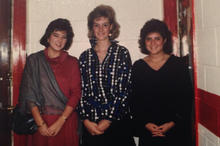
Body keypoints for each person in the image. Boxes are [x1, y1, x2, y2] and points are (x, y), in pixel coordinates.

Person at [76, 4, 135, 146]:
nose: (101, 29)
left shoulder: (122, 53)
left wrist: (108, 119)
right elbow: (81, 91)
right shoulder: (85, 56)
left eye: (105, 25)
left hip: (117, 123)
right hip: (91, 125)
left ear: (111, 28)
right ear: (91, 28)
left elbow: (125, 90)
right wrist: (85, 120)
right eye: (96, 25)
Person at [18, 18, 81, 146]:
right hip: (40, 122)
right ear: (48, 37)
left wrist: (60, 121)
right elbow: (29, 95)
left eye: (64, 37)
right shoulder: (34, 61)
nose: (60, 40)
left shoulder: (73, 62)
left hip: (66, 121)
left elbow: (76, 94)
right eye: (56, 35)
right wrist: (40, 124)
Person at [130, 19, 193, 146]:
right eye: (149, 39)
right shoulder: (138, 66)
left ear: (164, 40)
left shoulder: (178, 64)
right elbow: (133, 99)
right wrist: (145, 123)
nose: (153, 43)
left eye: (157, 38)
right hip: (148, 130)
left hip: (175, 130)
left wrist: (172, 123)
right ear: (144, 41)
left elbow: (186, 97)